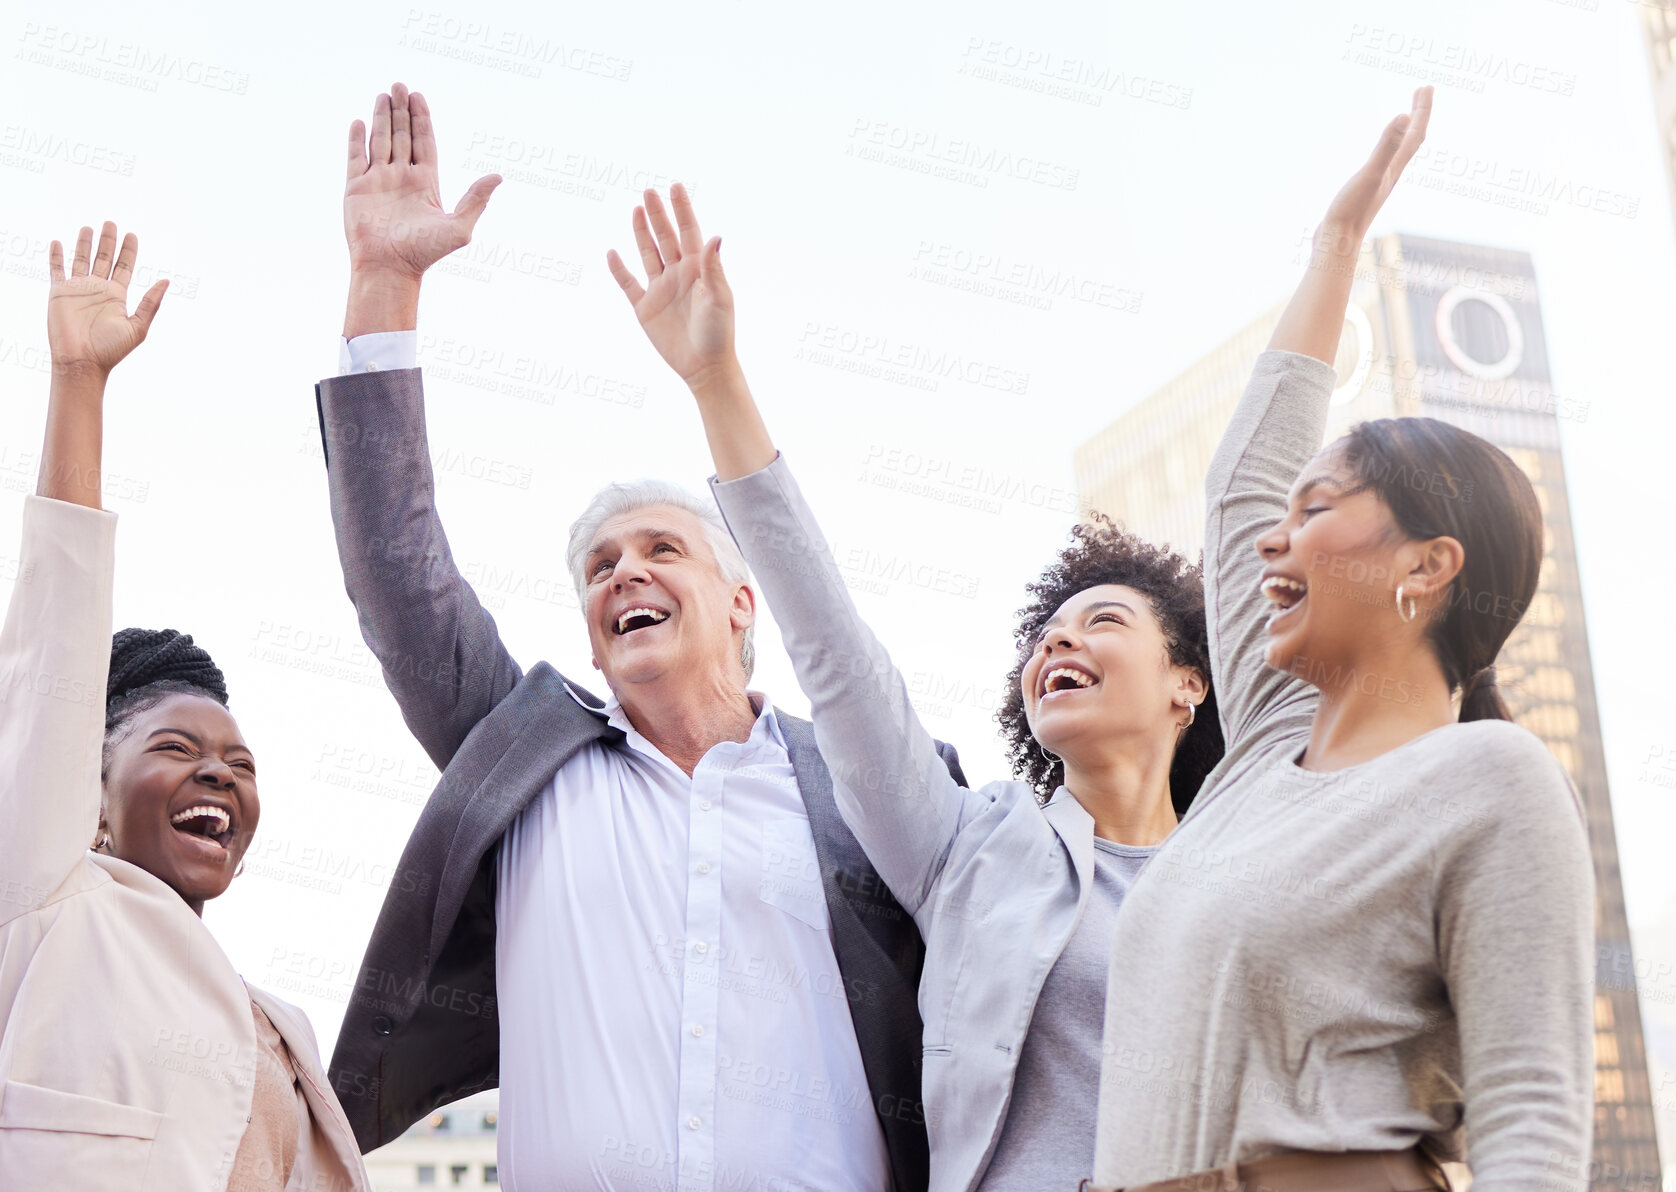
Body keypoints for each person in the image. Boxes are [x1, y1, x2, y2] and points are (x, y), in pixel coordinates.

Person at [316, 84, 967, 1192]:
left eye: (661, 548)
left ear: (741, 601)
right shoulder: (527, 760)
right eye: (598, 567)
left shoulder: (866, 790)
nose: (623, 571)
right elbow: (399, 582)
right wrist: (385, 283)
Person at [603, 183, 1224, 1192]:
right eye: (1045, 636)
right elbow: (836, 654)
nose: (1058, 644)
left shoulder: (1240, 866)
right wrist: (718, 383)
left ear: (1185, 684)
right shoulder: (968, 851)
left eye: (1100, 622)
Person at [1087, 89, 1594, 1192]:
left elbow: (1531, 1116)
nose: (1277, 539)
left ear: (1424, 564)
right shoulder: (1263, 752)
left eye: (1318, 511)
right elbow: (1238, 492)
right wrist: (1333, 247)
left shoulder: (1489, 778)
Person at [0, 223, 368, 1191]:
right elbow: (54, 657)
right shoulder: (51, 902)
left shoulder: (279, 1022)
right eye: (177, 746)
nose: (220, 773)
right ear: (91, 792)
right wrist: (79, 385)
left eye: (241, 766)